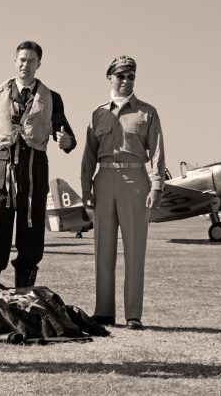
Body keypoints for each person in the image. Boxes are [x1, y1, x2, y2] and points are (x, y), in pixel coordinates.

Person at [0, 41, 76, 287]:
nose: (25, 64)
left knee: (31, 242)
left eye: (31, 60)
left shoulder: (53, 98)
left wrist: (66, 141)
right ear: (14, 61)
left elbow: (68, 140)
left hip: (34, 176)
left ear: (39, 64)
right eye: (21, 59)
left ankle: (24, 299)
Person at [80, 55, 166, 331]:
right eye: (121, 76)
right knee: (103, 249)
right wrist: (85, 188)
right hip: (103, 181)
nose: (126, 81)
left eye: (131, 76)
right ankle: (104, 311)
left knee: (134, 249)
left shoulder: (148, 113)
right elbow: (88, 155)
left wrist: (156, 186)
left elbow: (157, 153)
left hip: (135, 182)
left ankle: (133, 315)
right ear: (110, 78)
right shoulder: (98, 114)